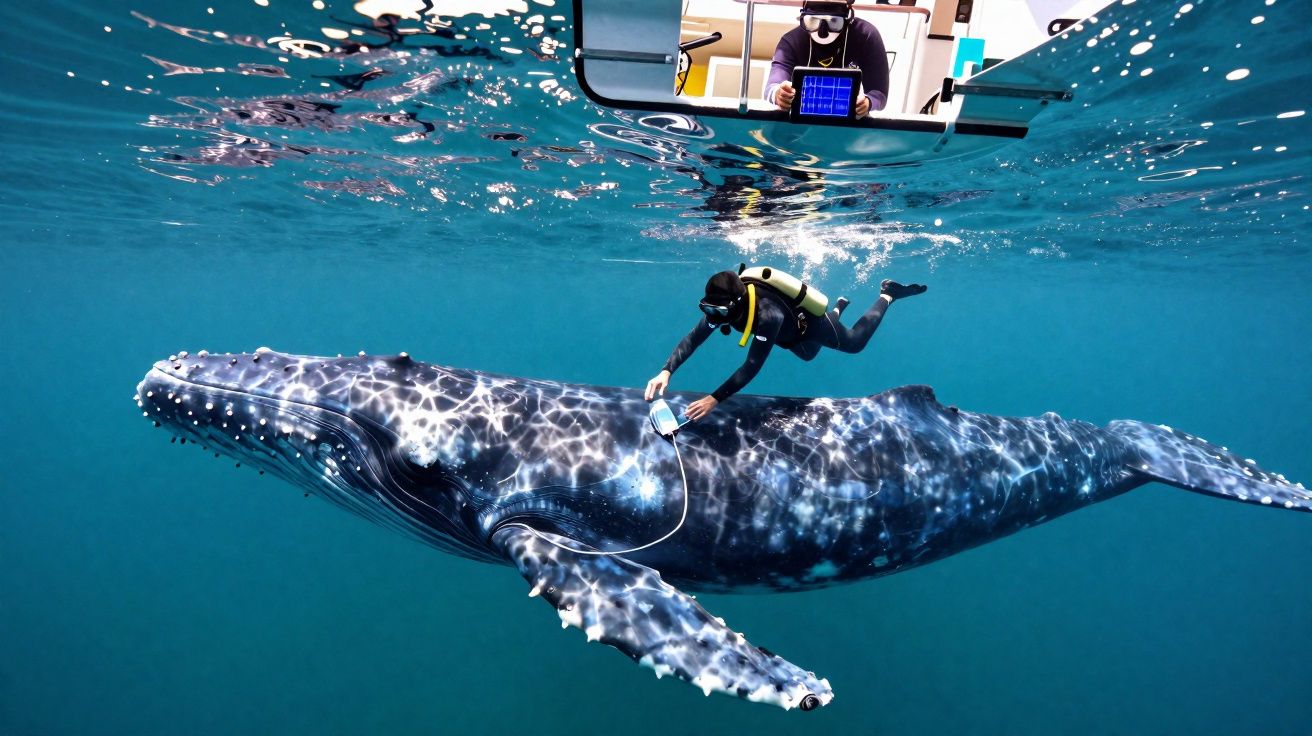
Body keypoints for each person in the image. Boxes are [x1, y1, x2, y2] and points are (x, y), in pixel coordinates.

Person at [644, 270, 926, 420]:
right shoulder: (723, 307)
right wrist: (666, 370)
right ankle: (839, 308)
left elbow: (752, 365)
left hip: (807, 325)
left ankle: (887, 295)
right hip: (789, 335)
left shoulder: (769, 315)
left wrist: (713, 399)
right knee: (808, 355)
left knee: (853, 343)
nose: (712, 318)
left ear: (737, 305)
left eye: (718, 312)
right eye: (708, 309)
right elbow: (695, 337)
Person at [764, 0, 890, 118]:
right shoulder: (792, 42)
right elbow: (771, 87)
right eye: (813, 21)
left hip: (848, 121)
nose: (822, 32)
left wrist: (868, 102)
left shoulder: (865, 36)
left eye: (834, 22)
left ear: (848, 18)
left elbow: (879, 93)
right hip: (802, 120)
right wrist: (778, 94)